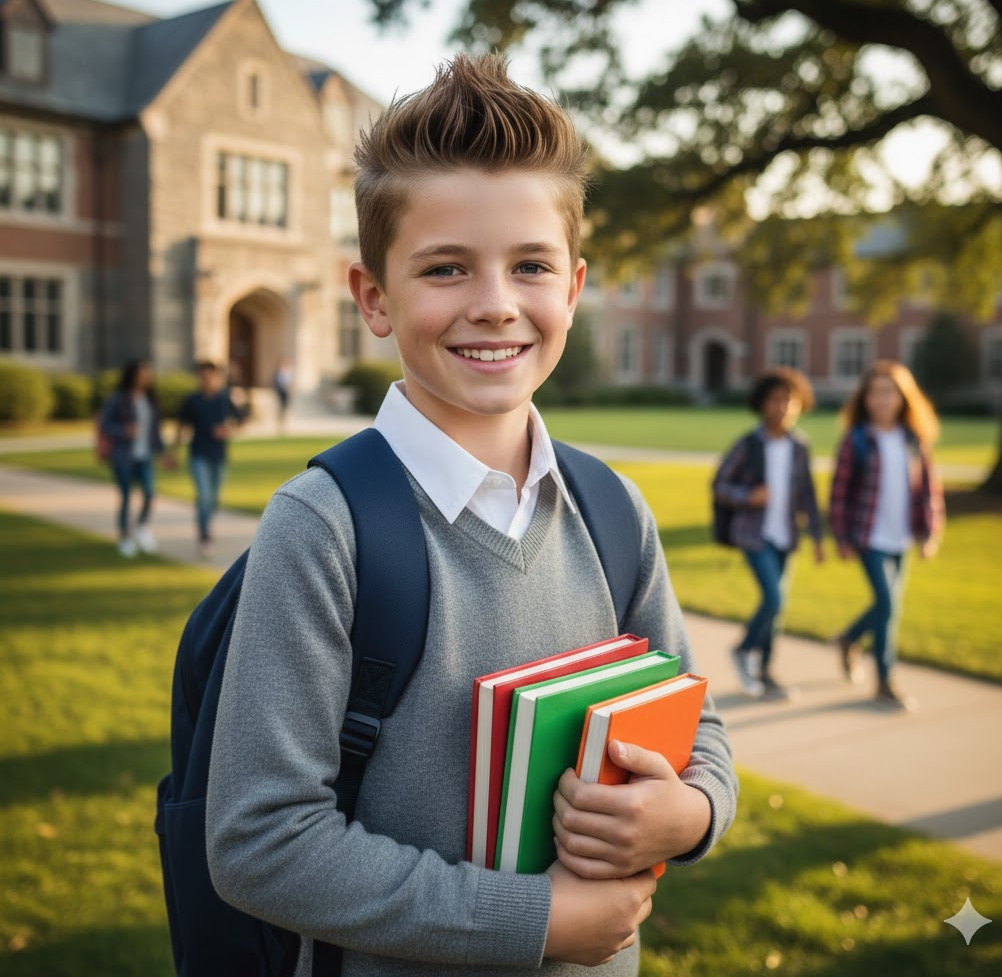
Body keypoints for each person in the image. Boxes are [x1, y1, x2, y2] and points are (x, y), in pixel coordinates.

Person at [205, 54, 737, 976]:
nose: (495, 305)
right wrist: (532, 919)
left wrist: (688, 815)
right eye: (445, 268)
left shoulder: (612, 509)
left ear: (571, 288)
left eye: (529, 266)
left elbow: (702, 735)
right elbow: (261, 841)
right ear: (373, 297)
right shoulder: (324, 528)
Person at [829, 360, 945, 711]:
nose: (882, 399)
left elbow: (928, 489)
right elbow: (839, 491)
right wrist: (841, 536)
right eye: (875, 392)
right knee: (888, 605)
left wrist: (930, 531)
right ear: (865, 398)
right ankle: (885, 681)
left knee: (887, 606)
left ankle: (849, 638)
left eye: (889, 392)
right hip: (868, 536)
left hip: (901, 537)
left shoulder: (911, 438)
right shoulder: (858, 439)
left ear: (903, 397)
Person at [712, 367, 824, 699]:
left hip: (785, 536)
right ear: (762, 404)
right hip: (754, 535)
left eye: (791, 401)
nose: (784, 408)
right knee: (773, 599)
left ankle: (766, 671)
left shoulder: (800, 446)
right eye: (776, 400)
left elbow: (807, 494)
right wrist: (748, 496)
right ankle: (743, 650)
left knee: (779, 607)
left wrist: (817, 536)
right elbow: (720, 484)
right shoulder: (749, 445)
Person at [98, 358, 170, 557]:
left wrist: (163, 454)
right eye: (142, 373)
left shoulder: (150, 399)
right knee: (126, 496)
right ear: (132, 376)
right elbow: (104, 425)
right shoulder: (118, 398)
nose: (145, 377)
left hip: (144, 456)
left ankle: (141, 527)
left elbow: (155, 431)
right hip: (123, 456)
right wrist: (124, 430)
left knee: (149, 493)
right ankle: (124, 538)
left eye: (147, 374)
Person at [174, 361, 244, 559]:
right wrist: (175, 452)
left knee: (213, 499)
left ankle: (205, 524)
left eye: (210, 375)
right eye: (203, 376)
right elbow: (182, 427)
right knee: (204, 496)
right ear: (199, 377)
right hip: (198, 455)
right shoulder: (192, 400)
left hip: (219, 456)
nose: (206, 379)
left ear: (216, 376)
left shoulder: (224, 399)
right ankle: (204, 536)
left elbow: (240, 420)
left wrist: (227, 430)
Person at [273, 356, 294, 432]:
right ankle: (280, 425)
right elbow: (276, 383)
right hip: (280, 392)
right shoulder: (278, 373)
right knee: (280, 408)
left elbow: (290, 382)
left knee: (285, 408)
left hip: (286, 393)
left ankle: (285, 424)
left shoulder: (288, 373)